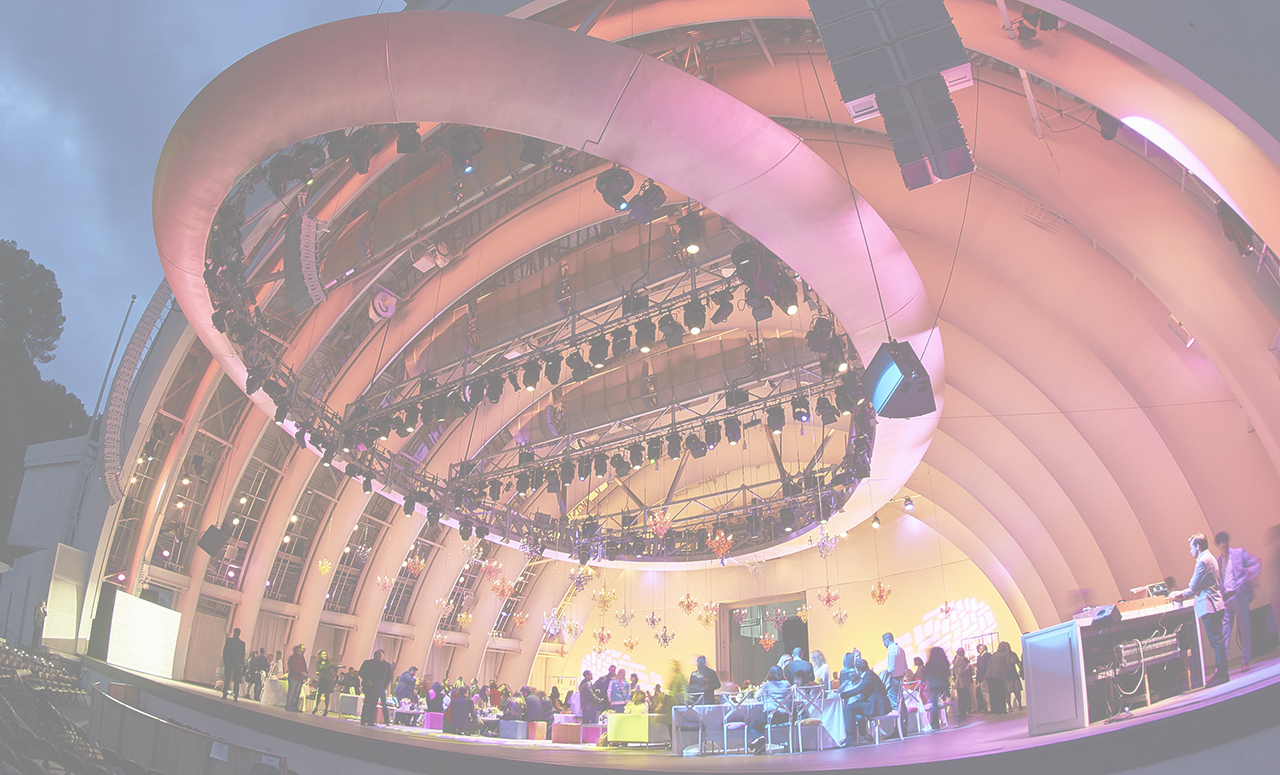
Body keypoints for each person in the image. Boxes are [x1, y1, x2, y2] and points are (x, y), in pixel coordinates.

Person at [1171, 533, 1229, 686]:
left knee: (1216, 642)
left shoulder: (1202, 561)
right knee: (1218, 641)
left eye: (1191, 547)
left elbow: (1193, 586)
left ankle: (1223, 675)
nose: (1190, 551)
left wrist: (1179, 594)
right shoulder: (1210, 557)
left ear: (1198, 546)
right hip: (1216, 604)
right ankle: (1220, 673)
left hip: (1210, 606)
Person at [1216, 531, 1262, 672]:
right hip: (1227, 600)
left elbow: (1256, 563)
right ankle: (1221, 666)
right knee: (1224, 633)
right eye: (1222, 547)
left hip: (1239, 595)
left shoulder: (1239, 553)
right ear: (1218, 547)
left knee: (1244, 629)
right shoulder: (1218, 561)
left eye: (1226, 545)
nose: (1225, 548)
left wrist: (1248, 573)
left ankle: (1245, 661)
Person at [840, 656, 890, 745]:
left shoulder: (869, 675)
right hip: (875, 703)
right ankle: (860, 734)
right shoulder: (869, 674)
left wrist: (843, 695)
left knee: (849, 708)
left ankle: (850, 739)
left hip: (877, 706)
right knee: (854, 706)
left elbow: (859, 689)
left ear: (858, 670)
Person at [748, 666, 793, 754]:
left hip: (770, 715)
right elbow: (791, 699)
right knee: (760, 724)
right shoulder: (787, 684)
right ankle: (760, 745)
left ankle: (760, 740)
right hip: (785, 715)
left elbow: (763, 699)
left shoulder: (766, 685)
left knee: (752, 725)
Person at [359, 649, 391, 726]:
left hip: (367, 686)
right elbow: (382, 677)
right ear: (380, 656)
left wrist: (367, 680)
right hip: (376, 687)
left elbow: (361, 672)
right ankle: (370, 720)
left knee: (366, 703)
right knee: (373, 704)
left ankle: (363, 719)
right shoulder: (383, 665)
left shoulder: (366, 663)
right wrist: (373, 682)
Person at [922, 647, 950, 730]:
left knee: (934, 704)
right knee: (945, 700)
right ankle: (953, 717)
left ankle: (935, 723)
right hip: (943, 684)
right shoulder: (944, 663)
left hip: (933, 685)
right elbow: (947, 673)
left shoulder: (929, 664)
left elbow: (925, 675)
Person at [882, 632, 908, 717]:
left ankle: (898, 725)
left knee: (895, 704)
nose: (884, 644)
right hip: (901, 678)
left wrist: (884, 673)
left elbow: (891, 668)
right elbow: (905, 667)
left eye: (884, 642)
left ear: (887, 640)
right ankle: (904, 725)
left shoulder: (892, 650)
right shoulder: (901, 649)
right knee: (901, 702)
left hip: (894, 679)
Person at [986, 642, 1014, 714]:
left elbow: (989, 664)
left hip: (990, 676)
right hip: (999, 675)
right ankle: (1002, 710)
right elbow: (1008, 664)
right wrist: (1006, 672)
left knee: (993, 693)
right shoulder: (1006, 653)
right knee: (1001, 692)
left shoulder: (994, 654)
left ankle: (995, 710)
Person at [221, 628, 246, 701]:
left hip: (229, 662)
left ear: (233, 632)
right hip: (237, 663)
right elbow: (242, 655)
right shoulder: (242, 644)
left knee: (227, 678)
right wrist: (239, 662)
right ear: (239, 634)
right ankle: (235, 695)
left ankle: (224, 694)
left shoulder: (229, 641)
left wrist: (225, 661)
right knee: (236, 680)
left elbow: (225, 651)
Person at [313, 650, 336, 715]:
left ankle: (326, 710)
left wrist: (336, 670)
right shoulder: (318, 663)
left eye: (325, 654)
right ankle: (316, 708)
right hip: (322, 680)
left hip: (328, 680)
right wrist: (317, 673)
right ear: (320, 655)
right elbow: (317, 670)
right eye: (323, 654)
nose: (325, 655)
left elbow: (335, 667)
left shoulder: (329, 663)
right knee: (319, 695)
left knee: (327, 695)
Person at [285, 644, 308, 711]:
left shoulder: (301, 659)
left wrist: (305, 674)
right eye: (298, 650)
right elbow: (293, 668)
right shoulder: (292, 658)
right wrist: (301, 673)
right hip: (293, 677)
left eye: (301, 651)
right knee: (291, 692)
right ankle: (288, 705)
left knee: (296, 693)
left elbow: (303, 667)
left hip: (299, 678)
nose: (300, 652)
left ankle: (294, 706)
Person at [952, 647, 972, 720]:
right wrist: (968, 667)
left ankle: (963, 712)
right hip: (962, 682)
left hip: (961, 682)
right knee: (963, 697)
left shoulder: (956, 659)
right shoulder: (959, 660)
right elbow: (960, 671)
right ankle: (963, 712)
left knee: (962, 697)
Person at [974, 643, 991, 713]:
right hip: (983, 677)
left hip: (984, 677)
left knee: (986, 692)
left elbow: (982, 667)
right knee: (984, 692)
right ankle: (986, 707)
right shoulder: (981, 657)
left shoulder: (985, 656)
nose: (979, 650)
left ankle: (989, 707)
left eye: (980, 649)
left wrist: (981, 676)